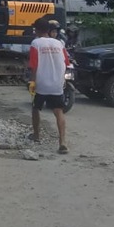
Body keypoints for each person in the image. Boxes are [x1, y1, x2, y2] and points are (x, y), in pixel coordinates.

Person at [29, 17, 71, 154]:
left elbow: (34, 65)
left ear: (36, 30)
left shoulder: (35, 43)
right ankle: (62, 142)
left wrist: (32, 82)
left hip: (41, 84)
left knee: (36, 108)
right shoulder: (59, 44)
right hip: (57, 84)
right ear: (48, 30)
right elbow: (66, 62)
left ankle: (36, 135)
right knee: (59, 111)